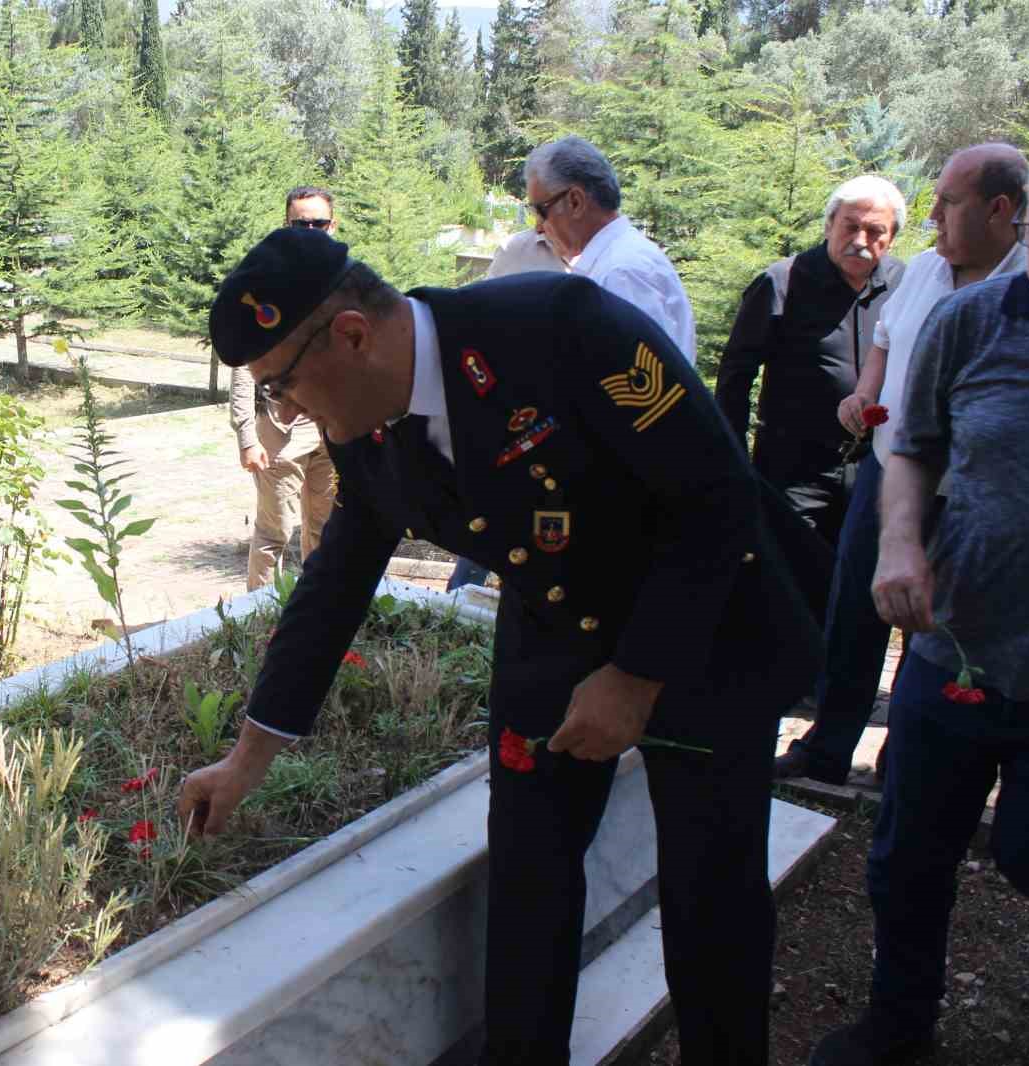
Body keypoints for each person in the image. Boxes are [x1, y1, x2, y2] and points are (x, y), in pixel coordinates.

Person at [179, 227, 828, 1065]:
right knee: (528, 888)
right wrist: (249, 755)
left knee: (711, 895)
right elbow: (336, 582)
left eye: (283, 385)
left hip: (704, 634)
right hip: (551, 637)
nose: (288, 413)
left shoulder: (564, 327)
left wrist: (634, 676)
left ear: (350, 334)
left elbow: (716, 498)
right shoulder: (363, 419)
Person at [809, 165, 1029, 1066]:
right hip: (957, 647)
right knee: (908, 859)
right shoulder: (974, 321)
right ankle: (899, 1028)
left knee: (1023, 853)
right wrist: (900, 543)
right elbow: (912, 449)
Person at [775, 144, 1029, 785]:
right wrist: (865, 394)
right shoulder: (923, 272)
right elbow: (886, 339)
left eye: (948, 202)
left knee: (936, 634)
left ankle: (906, 765)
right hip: (890, 478)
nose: (933, 216)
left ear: (1000, 210)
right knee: (854, 616)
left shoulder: (1020, 290)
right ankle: (829, 748)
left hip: (970, 499)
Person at [715, 176, 907, 546]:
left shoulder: (904, 284)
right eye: (850, 226)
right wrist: (734, 461)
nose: (860, 241)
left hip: (875, 471)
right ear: (829, 223)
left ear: (892, 237)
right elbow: (735, 376)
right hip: (794, 473)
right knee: (794, 583)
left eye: (875, 231)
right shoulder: (783, 282)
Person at [226, 187, 339, 590]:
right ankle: (258, 621)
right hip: (278, 434)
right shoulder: (265, 286)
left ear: (332, 225)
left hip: (332, 432)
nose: (310, 231)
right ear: (286, 225)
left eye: (318, 223)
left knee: (325, 533)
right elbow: (241, 363)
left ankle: (316, 615)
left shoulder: (347, 281)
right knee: (275, 534)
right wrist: (245, 435)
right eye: (300, 223)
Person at [446, 229, 569, 593]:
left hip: (574, 428)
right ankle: (457, 613)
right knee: (490, 526)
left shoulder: (617, 260)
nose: (541, 221)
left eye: (545, 206)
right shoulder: (520, 249)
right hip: (513, 414)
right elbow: (475, 314)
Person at [524, 135, 697, 362]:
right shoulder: (620, 261)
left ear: (575, 201)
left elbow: (634, 384)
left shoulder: (621, 274)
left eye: (541, 210)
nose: (538, 227)